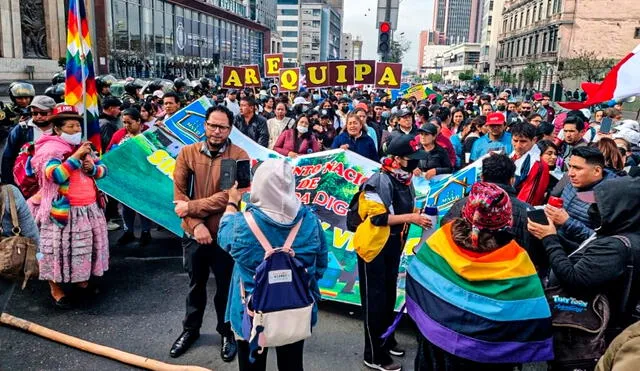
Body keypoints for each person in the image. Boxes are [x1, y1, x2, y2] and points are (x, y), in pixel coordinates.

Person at [410, 182, 552, 371]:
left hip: (434, 346)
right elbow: (530, 309)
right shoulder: (516, 260)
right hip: (485, 355)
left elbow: (418, 278)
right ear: (505, 220)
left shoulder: (441, 239)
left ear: (466, 211)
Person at [217, 159, 328, 371]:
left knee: (251, 364)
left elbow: (223, 237)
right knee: (292, 364)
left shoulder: (242, 224)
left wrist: (232, 202)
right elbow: (321, 263)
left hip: (251, 311)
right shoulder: (310, 221)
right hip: (297, 308)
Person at [170, 105, 249, 361]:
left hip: (225, 234)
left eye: (223, 127)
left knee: (226, 288)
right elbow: (178, 197)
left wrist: (192, 207)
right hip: (194, 234)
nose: (217, 131)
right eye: (212, 125)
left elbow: (230, 196)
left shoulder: (238, 156)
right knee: (196, 285)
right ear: (204, 125)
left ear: (230, 129)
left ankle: (227, 332)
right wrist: (196, 225)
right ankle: (190, 330)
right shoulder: (187, 153)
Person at [528, 176, 640, 346]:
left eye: (599, 205)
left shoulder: (615, 247)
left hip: (588, 331)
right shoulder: (617, 231)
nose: (593, 209)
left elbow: (574, 278)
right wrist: (554, 235)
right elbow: (584, 252)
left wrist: (549, 238)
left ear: (621, 208)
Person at [357, 135, 433, 371]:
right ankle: (373, 353)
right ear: (397, 159)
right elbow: (379, 218)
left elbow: (403, 209)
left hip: (393, 244)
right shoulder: (378, 180)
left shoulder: (405, 179)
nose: (416, 163)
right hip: (373, 247)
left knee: (389, 295)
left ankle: (387, 339)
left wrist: (417, 213)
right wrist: (412, 217)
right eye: (411, 159)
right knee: (375, 302)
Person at [28, 105, 109, 309]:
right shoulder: (50, 149)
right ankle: (55, 288)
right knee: (55, 251)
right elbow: (55, 175)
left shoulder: (83, 147)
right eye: (70, 126)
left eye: (77, 126)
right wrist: (75, 158)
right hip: (62, 211)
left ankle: (81, 280)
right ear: (57, 129)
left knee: (81, 250)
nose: (75, 130)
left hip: (88, 209)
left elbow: (103, 171)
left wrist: (93, 168)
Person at [547, 146, 616, 247]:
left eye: (577, 168)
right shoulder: (573, 181)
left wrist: (567, 222)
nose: (570, 173)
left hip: (577, 255)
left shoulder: (610, 198)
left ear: (597, 171)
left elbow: (604, 243)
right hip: (555, 241)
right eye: (570, 166)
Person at [107, 108, 153, 246]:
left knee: (143, 206)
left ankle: (146, 232)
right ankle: (129, 231)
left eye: (129, 122)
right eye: (124, 123)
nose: (126, 126)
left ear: (139, 121)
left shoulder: (149, 134)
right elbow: (110, 154)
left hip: (145, 177)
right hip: (126, 178)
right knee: (127, 207)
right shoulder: (119, 135)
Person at [2, 95, 55, 185]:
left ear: (53, 112)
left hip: (53, 181)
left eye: (43, 113)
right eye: (34, 113)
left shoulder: (61, 128)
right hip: (26, 183)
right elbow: (8, 158)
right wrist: (8, 184)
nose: (38, 116)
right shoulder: (21, 129)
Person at [510, 122, 550, 206]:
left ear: (534, 140)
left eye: (523, 141)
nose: (518, 145)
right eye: (515, 140)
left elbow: (529, 199)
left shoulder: (538, 165)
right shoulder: (512, 155)